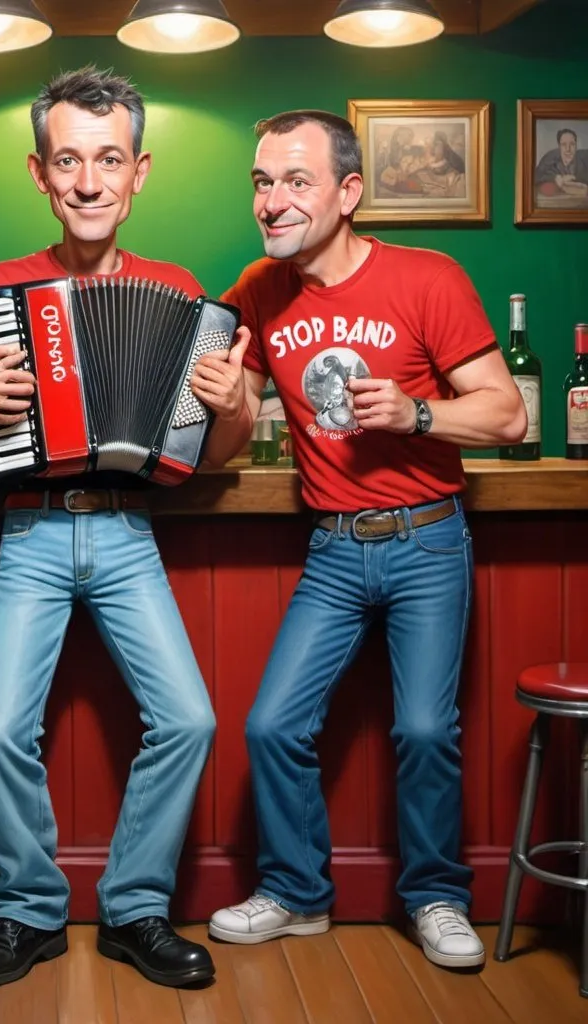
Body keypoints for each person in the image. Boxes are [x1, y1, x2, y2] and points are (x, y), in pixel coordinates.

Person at [0, 66, 234, 989]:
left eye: (109, 160)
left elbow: (212, 455)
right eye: (69, 160)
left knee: (189, 718)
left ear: (139, 171)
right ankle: (27, 913)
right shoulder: (0, 286)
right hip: (29, 532)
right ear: (40, 173)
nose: (89, 182)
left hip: (127, 535)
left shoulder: (180, 292)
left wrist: (231, 401)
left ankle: (135, 910)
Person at [195, 109, 525, 971]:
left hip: (427, 539)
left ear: (349, 192)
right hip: (334, 548)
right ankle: (299, 894)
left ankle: (439, 895)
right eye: (262, 182)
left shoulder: (427, 276)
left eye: (295, 181)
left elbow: (508, 411)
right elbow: (225, 445)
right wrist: (228, 400)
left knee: (423, 729)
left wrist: (418, 413)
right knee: (272, 725)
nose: (272, 201)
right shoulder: (258, 288)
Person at [534, 127, 588, 198]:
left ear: (576, 145)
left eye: (572, 144)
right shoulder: (549, 158)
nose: (568, 149)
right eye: (563, 144)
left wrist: (576, 179)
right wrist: (555, 178)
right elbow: (535, 176)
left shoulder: (585, 157)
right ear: (559, 146)